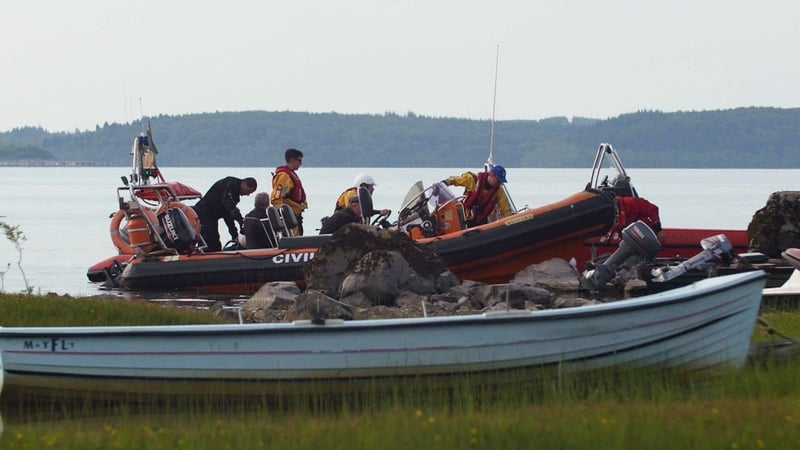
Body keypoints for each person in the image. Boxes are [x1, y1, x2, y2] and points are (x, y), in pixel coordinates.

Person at [192, 176, 257, 252]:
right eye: (248, 191)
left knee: (216, 243)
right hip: (202, 214)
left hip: (212, 218)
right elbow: (227, 203)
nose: (247, 195)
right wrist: (239, 218)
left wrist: (234, 235)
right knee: (208, 241)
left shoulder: (235, 197)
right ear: (244, 184)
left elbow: (228, 215)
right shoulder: (230, 184)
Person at [442, 165, 512, 227]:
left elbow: (505, 209)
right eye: (498, 181)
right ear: (491, 175)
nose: (500, 183)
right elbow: (456, 180)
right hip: (464, 217)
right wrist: (444, 183)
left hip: (481, 221)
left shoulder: (499, 191)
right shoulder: (473, 179)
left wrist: (509, 222)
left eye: (501, 182)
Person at [271, 148, 308, 235]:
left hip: (296, 213)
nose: (300, 163)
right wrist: (283, 215)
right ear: (292, 160)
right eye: (299, 160)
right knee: (294, 238)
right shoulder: (284, 177)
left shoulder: (291, 174)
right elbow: (277, 197)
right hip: (290, 216)